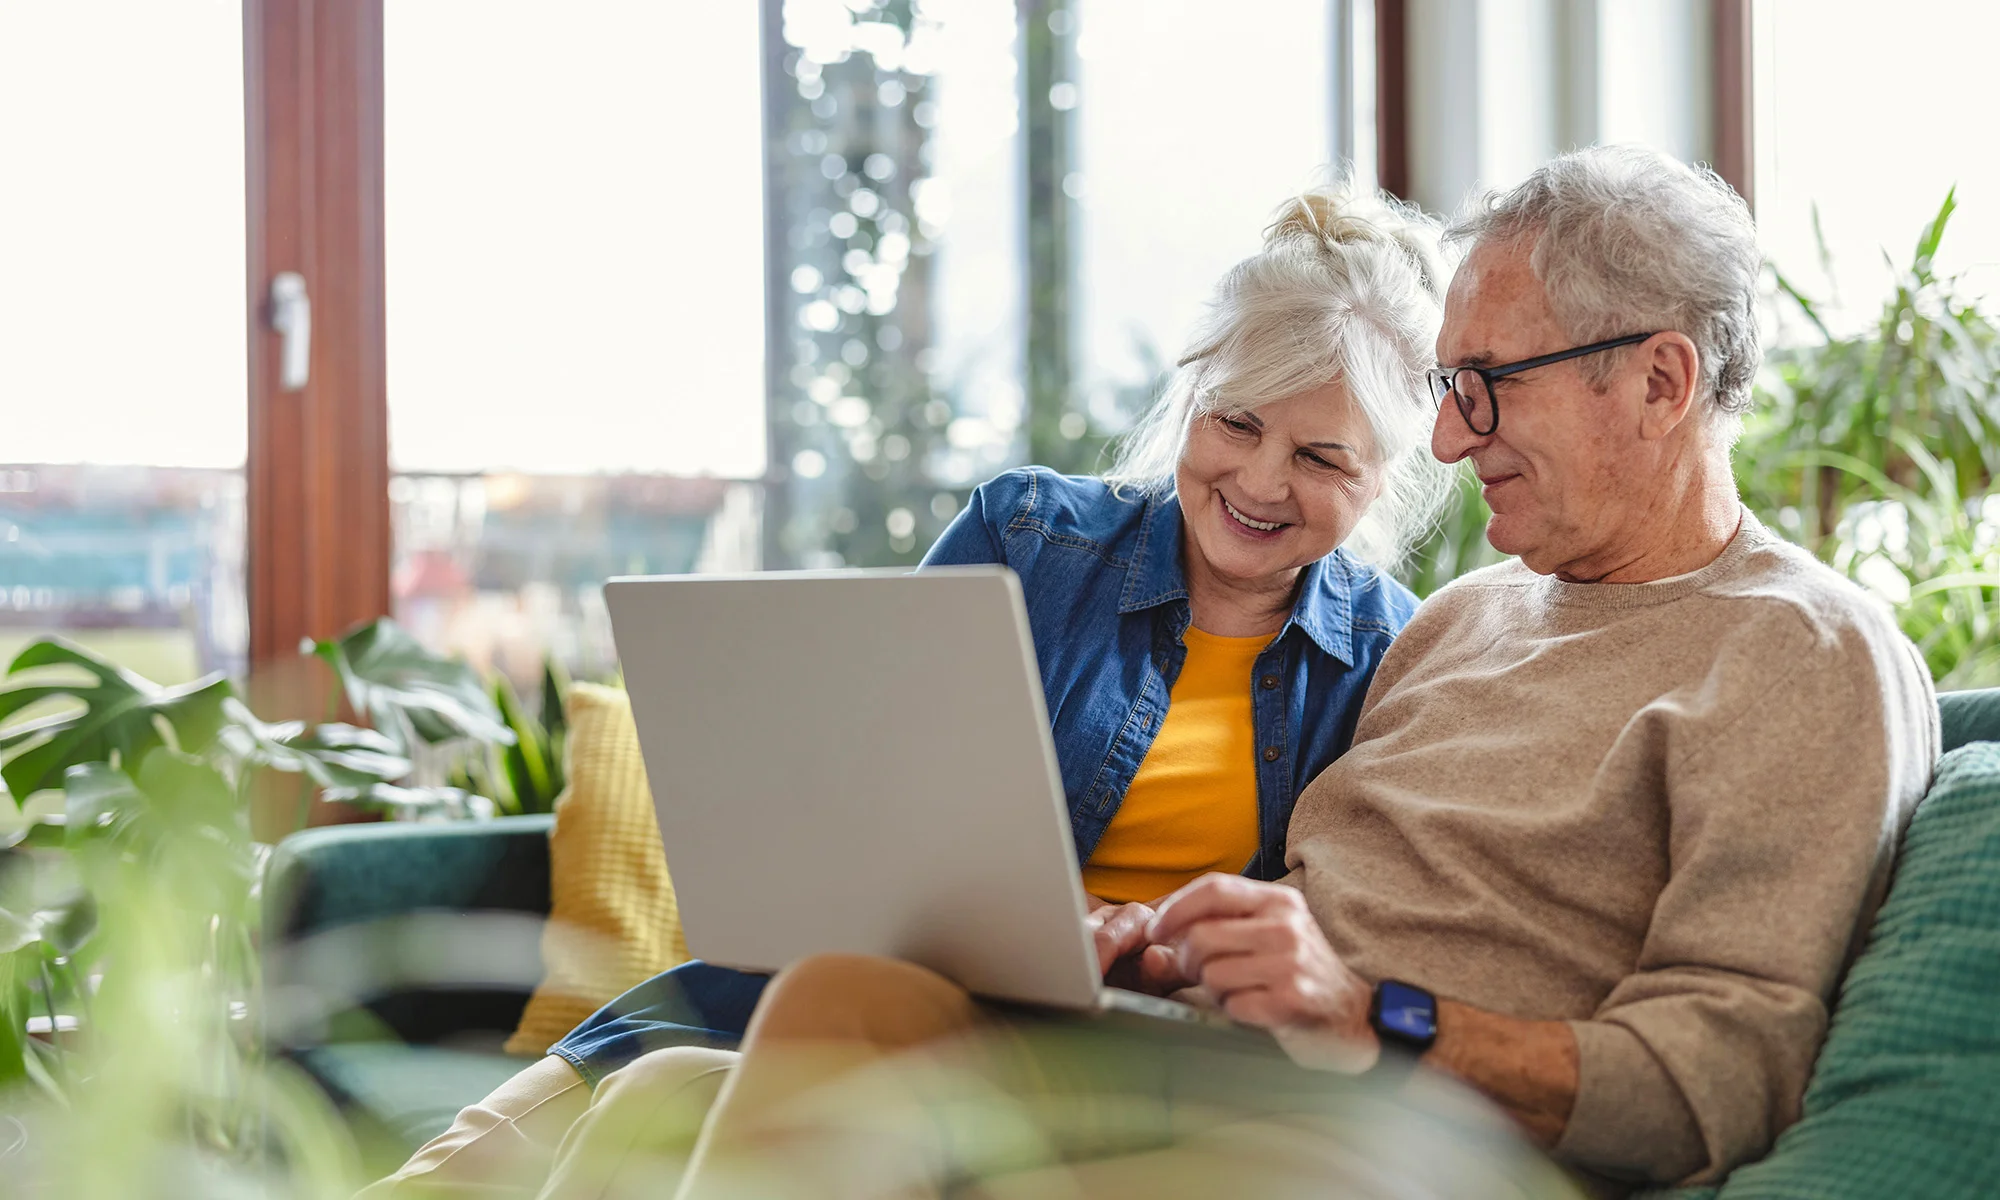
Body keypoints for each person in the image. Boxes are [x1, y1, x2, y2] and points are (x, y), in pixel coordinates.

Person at [431, 145, 1940, 1200]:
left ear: (1661, 381)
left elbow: (1718, 1076)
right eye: (1450, 392)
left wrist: (1377, 1014)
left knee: (791, 1060)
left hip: (1401, 1135)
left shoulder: (1803, 651)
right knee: (686, 1082)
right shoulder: (1465, 622)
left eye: (1483, 389)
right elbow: (1314, 894)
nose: (1458, 442)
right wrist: (1176, 943)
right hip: (1203, 1058)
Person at [362, 180, 1458, 1198]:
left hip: (1078, 1055)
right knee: (450, 1175)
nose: (1260, 481)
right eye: (1235, 423)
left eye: (1320, 459)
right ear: (1190, 405)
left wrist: (1159, 949)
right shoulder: (1026, 538)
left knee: (649, 1114)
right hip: (818, 992)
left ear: (1383, 478)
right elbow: (859, 818)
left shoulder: (1389, 659)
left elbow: (1325, 955)